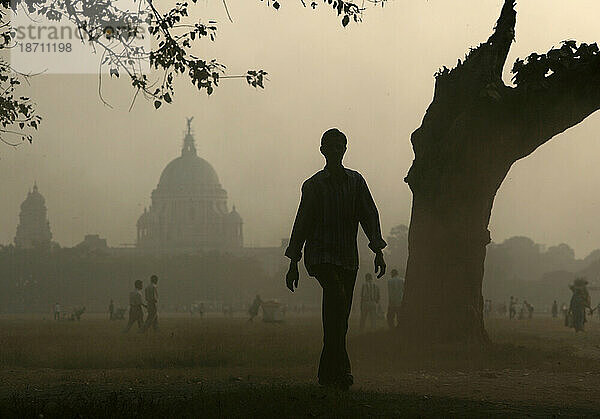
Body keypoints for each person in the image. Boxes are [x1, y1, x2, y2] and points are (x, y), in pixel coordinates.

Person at [284, 128, 387, 391]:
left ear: (344, 149)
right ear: (323, 151)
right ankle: (342, 371)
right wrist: (294, 261)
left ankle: (327, 372)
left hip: (347, 257)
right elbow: (302, 223)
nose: (335, 151)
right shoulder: (313, 186)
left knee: (338, 315)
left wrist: (377, 249)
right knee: (338, 302)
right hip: (321, 256)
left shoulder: (356, 182)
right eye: (330, 147)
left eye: (339, 146)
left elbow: (368, 215)